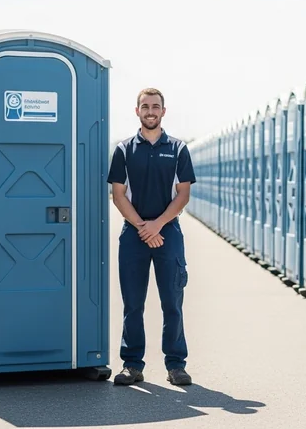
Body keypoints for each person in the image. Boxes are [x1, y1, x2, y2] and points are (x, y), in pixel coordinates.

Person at [107, 87, 196, 386]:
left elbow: (183, 195)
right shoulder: (123, 150)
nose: (150, 111)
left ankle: (175, 364)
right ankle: (132, 364)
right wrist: (143, 228)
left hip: (168, 232)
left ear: (163, 111)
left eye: (155, 106)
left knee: (172, 301)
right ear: (137, 111)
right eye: (145, 106)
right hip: (133, 235)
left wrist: (157, 225)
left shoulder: (179, 149)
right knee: (133, 303)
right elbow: (117, 195)